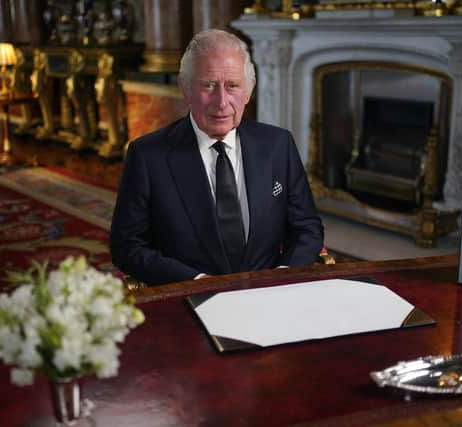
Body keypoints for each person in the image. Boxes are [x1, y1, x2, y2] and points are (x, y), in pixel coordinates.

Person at [110, 29, 324, 286]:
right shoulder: (148, 156)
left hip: (270, 294)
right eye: (208, 85)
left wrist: (282, 274)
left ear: (249, 90)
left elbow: (307, 227)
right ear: (185, 88)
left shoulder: (278, 145)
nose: (221, 102)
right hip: (188, 297)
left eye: (232, 86)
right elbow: (127, 246)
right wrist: (196, 281)